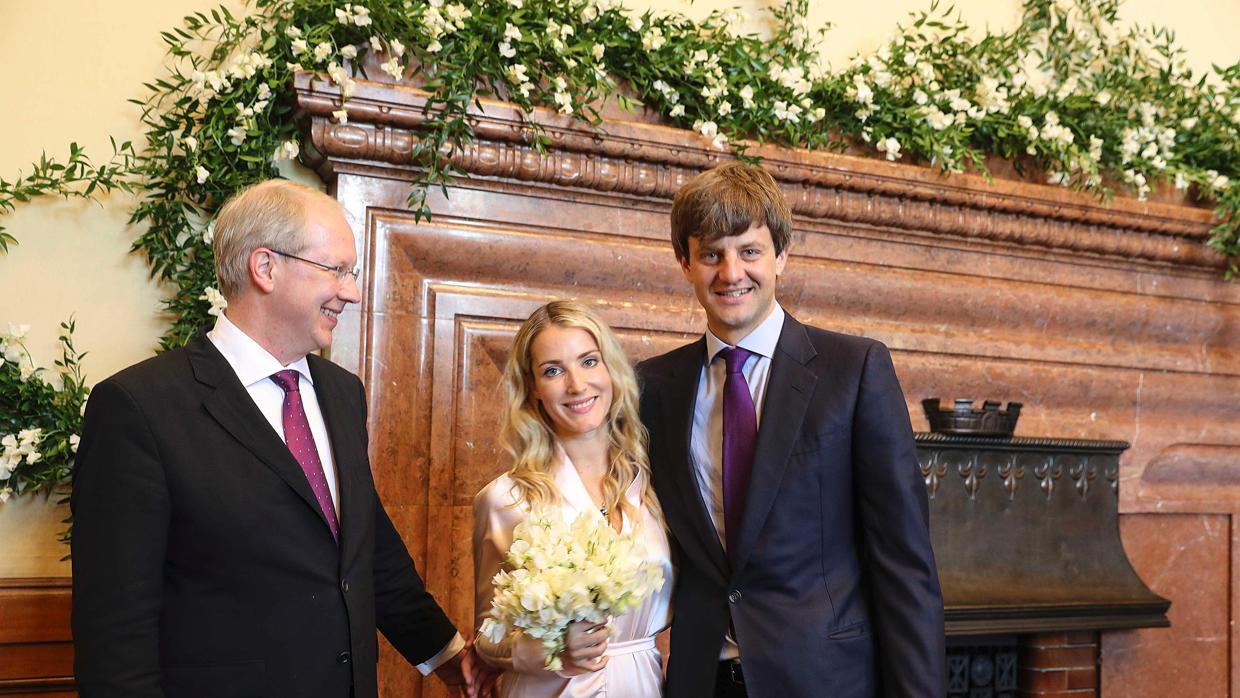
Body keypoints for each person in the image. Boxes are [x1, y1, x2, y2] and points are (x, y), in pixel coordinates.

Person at [71, 179, 481, 698]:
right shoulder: (138, 407)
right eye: (336, 270)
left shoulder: (342, 393)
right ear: (265, 267)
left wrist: (450, 657)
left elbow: (366, 549)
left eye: (351, 273)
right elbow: (115, 636)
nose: (352, 292)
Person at [637, 161, 945, 697]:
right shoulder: (652, 387)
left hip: (825, 680)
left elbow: (904, 564)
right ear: (684, 262)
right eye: (711, 254)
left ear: (781, 255)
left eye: (749, 251)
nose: (731, 272)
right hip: (700, 681)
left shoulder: (855, 371)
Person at [472, 300, 672, 697]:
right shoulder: (506, 499)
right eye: (553, 370)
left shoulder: (656, 488)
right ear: (533, 388)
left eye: (589, 361)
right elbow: (487, 636)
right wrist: (546, 650)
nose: (577, 385)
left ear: (611, 370)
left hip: (640, 684)